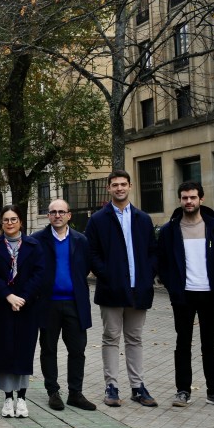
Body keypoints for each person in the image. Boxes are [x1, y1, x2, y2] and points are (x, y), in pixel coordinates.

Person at [158, 181, 214, 409]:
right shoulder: (170, 230)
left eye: (192, 197)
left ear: (201, 199)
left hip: (210, 295)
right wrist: (172, 285)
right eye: (184, 198)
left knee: (210, 345)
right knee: (183, 343)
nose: (188, 201)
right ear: (180, 200)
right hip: (183, 296)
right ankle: (183, 391)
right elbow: (162, 262)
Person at [85, 169, 159, 408]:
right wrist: (106, 275)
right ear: (109, 188)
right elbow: (92, 253)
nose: (119, 188)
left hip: (139, 288)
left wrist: (147, 277)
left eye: (123, 184)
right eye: (115, 184)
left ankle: (138, 387)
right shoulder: (97, 220)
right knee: (111, 338)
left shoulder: (142, 218)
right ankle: (112, 386)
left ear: (130, 186)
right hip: (111, 289)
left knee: (135, 338)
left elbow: (152, 252)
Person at [31, 199, 97, 412]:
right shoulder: (37, 240)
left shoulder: (81, 240)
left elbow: (85, 268)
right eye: (53, 212)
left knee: (77, 350)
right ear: (48, 216)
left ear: (69, 215)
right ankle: (53, 391)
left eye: (61, 212)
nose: (57, 215)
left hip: (75, 304)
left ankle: (75, 393)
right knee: (48, 349)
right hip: (47, 304)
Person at [0, 205, 44, 418]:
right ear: (1, 222)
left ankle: (23, 398)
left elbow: (39, 274)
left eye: (14, 219)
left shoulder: (34, 245)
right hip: (1, 305)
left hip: (27, 306)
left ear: (21, 222)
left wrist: (23, 297)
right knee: (4, 350)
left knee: (24, 351)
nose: (10, 223)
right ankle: (8, 397)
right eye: (6, 219)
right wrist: (8, 295)